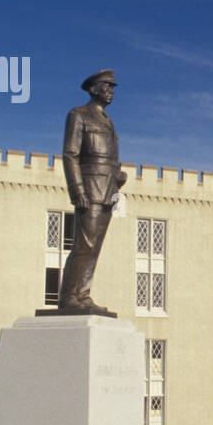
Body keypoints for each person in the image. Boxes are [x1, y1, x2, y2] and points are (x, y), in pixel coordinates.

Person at [58, 69, 127, 312]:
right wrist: (77, 189)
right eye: (106, 86)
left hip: (107, 190)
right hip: (89, 189)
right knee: (83, 245)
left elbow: (106, 158)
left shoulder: (108, 122)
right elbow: (71, 154)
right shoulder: (79, 115)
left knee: (95, 247)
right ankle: (68, 296)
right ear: (92, 89)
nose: (110, 91)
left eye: (112, 87)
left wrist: (117, 176)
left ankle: (83, 295)